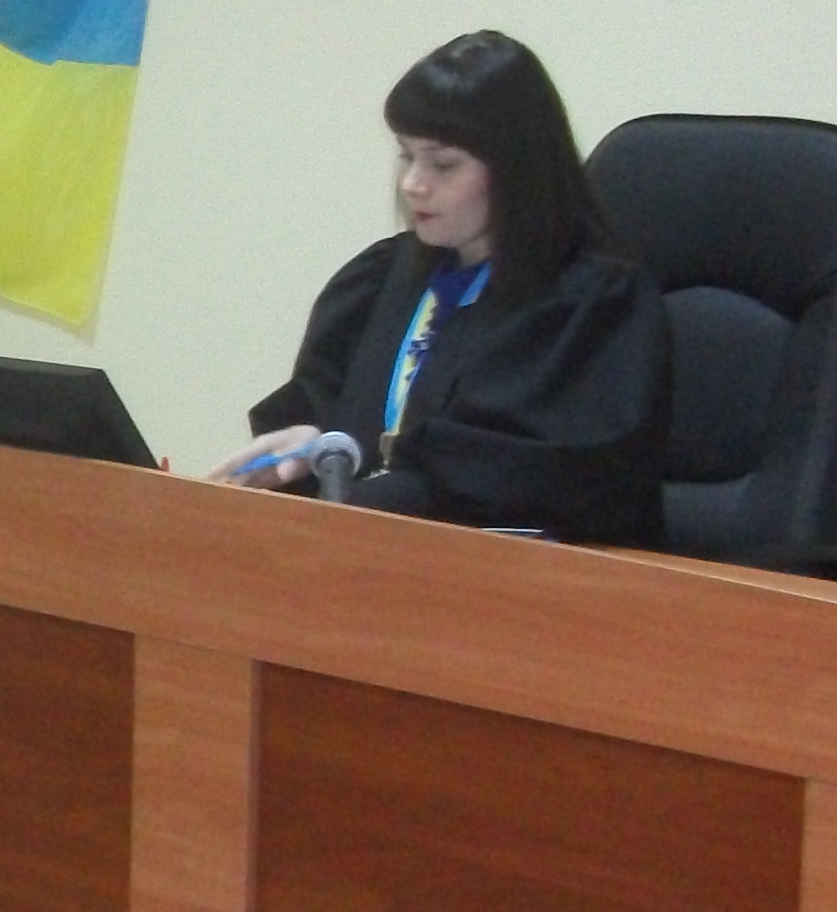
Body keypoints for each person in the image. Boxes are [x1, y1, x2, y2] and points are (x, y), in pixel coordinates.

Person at [213, 30, 670, 544]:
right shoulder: (383, 279)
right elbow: (336, 412)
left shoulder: (591, 305)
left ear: (518, 168)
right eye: (406, 156)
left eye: (443, 164)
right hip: (357, 557)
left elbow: (534, 478)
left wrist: (372, 502)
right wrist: (313, 443)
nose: (413, 183)